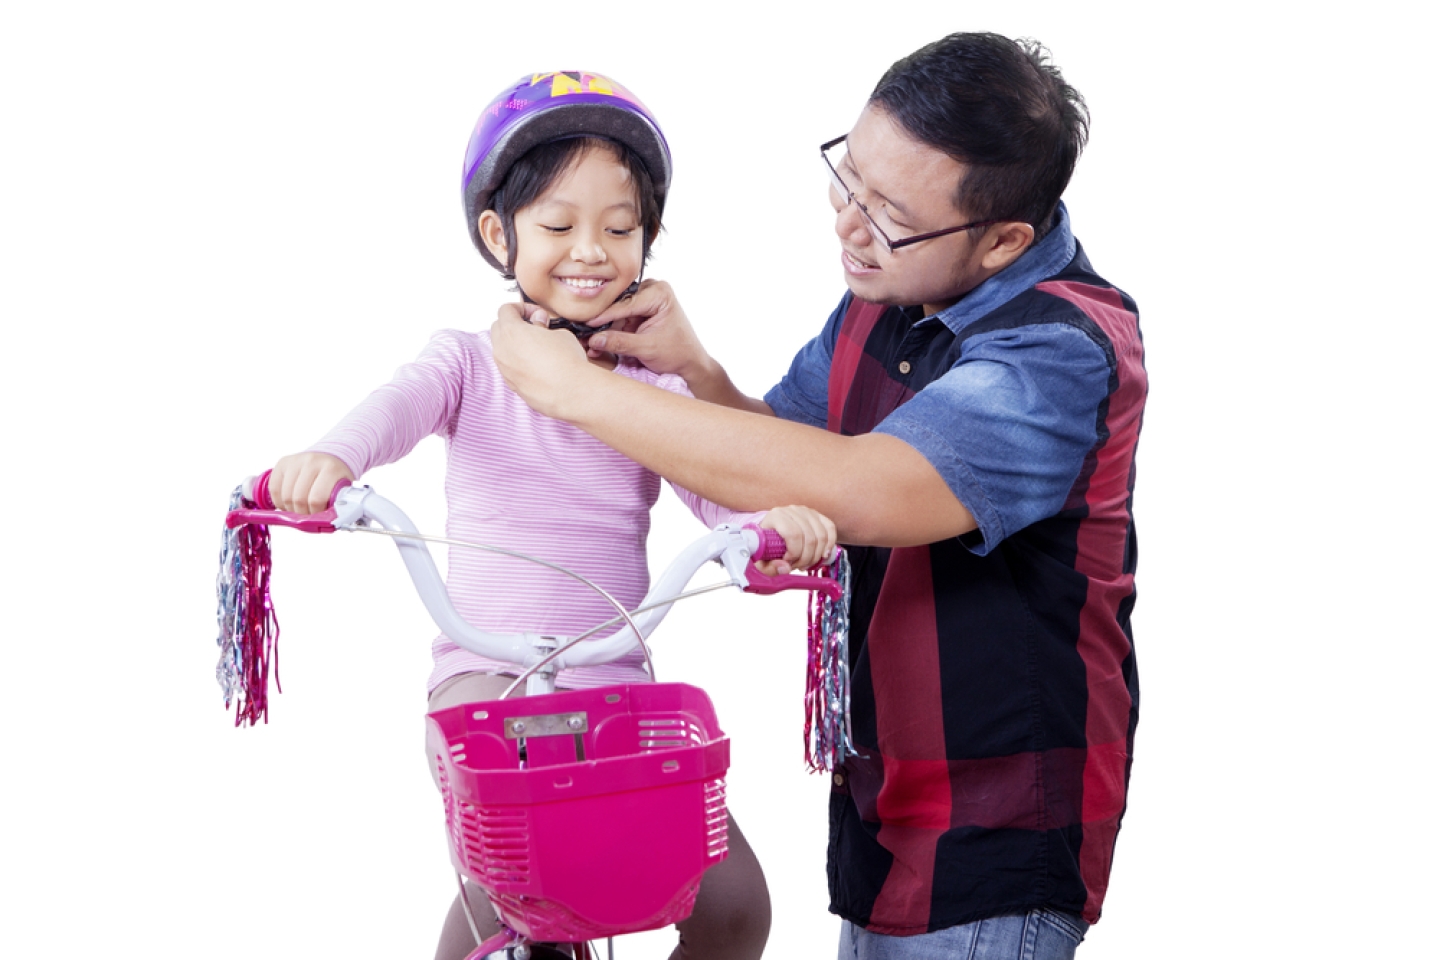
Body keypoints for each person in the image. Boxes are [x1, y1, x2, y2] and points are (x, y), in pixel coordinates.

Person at [489, 36, 1145, 960]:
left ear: (1003, 241)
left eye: (893, 216)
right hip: (886, 816)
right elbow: (786, 453)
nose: (850, 226)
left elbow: (863, 490)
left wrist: (577, 393)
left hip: (997, 837)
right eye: (852, 181)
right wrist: (693, 370)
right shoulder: (895, 291)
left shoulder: (1060, 350)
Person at [263, 71, 836, 960]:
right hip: (487, 688)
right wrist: (330, 461)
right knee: (521, 889)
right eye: (559, 226)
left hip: (619, 688)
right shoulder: (467, 363)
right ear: (500, 235)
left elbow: (720, 500)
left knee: (733, 907)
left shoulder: (648, 391)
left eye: (619, 227)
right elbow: (395, 407)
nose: (592, 250)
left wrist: (775, 532)